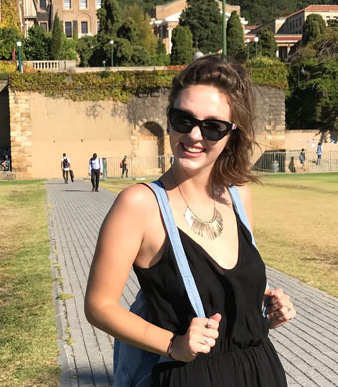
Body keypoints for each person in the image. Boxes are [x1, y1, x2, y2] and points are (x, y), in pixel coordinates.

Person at [85, 55, 295, 387]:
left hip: (260, 370)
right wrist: (173, 344)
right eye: (183, 120)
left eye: (213, 126)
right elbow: (99, 305)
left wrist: (265, 308)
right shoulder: (140, 204)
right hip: (191, 376)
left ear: (231, 134)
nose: (195, 135)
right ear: (169, 120)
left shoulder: (238, 196)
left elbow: (224, 285)